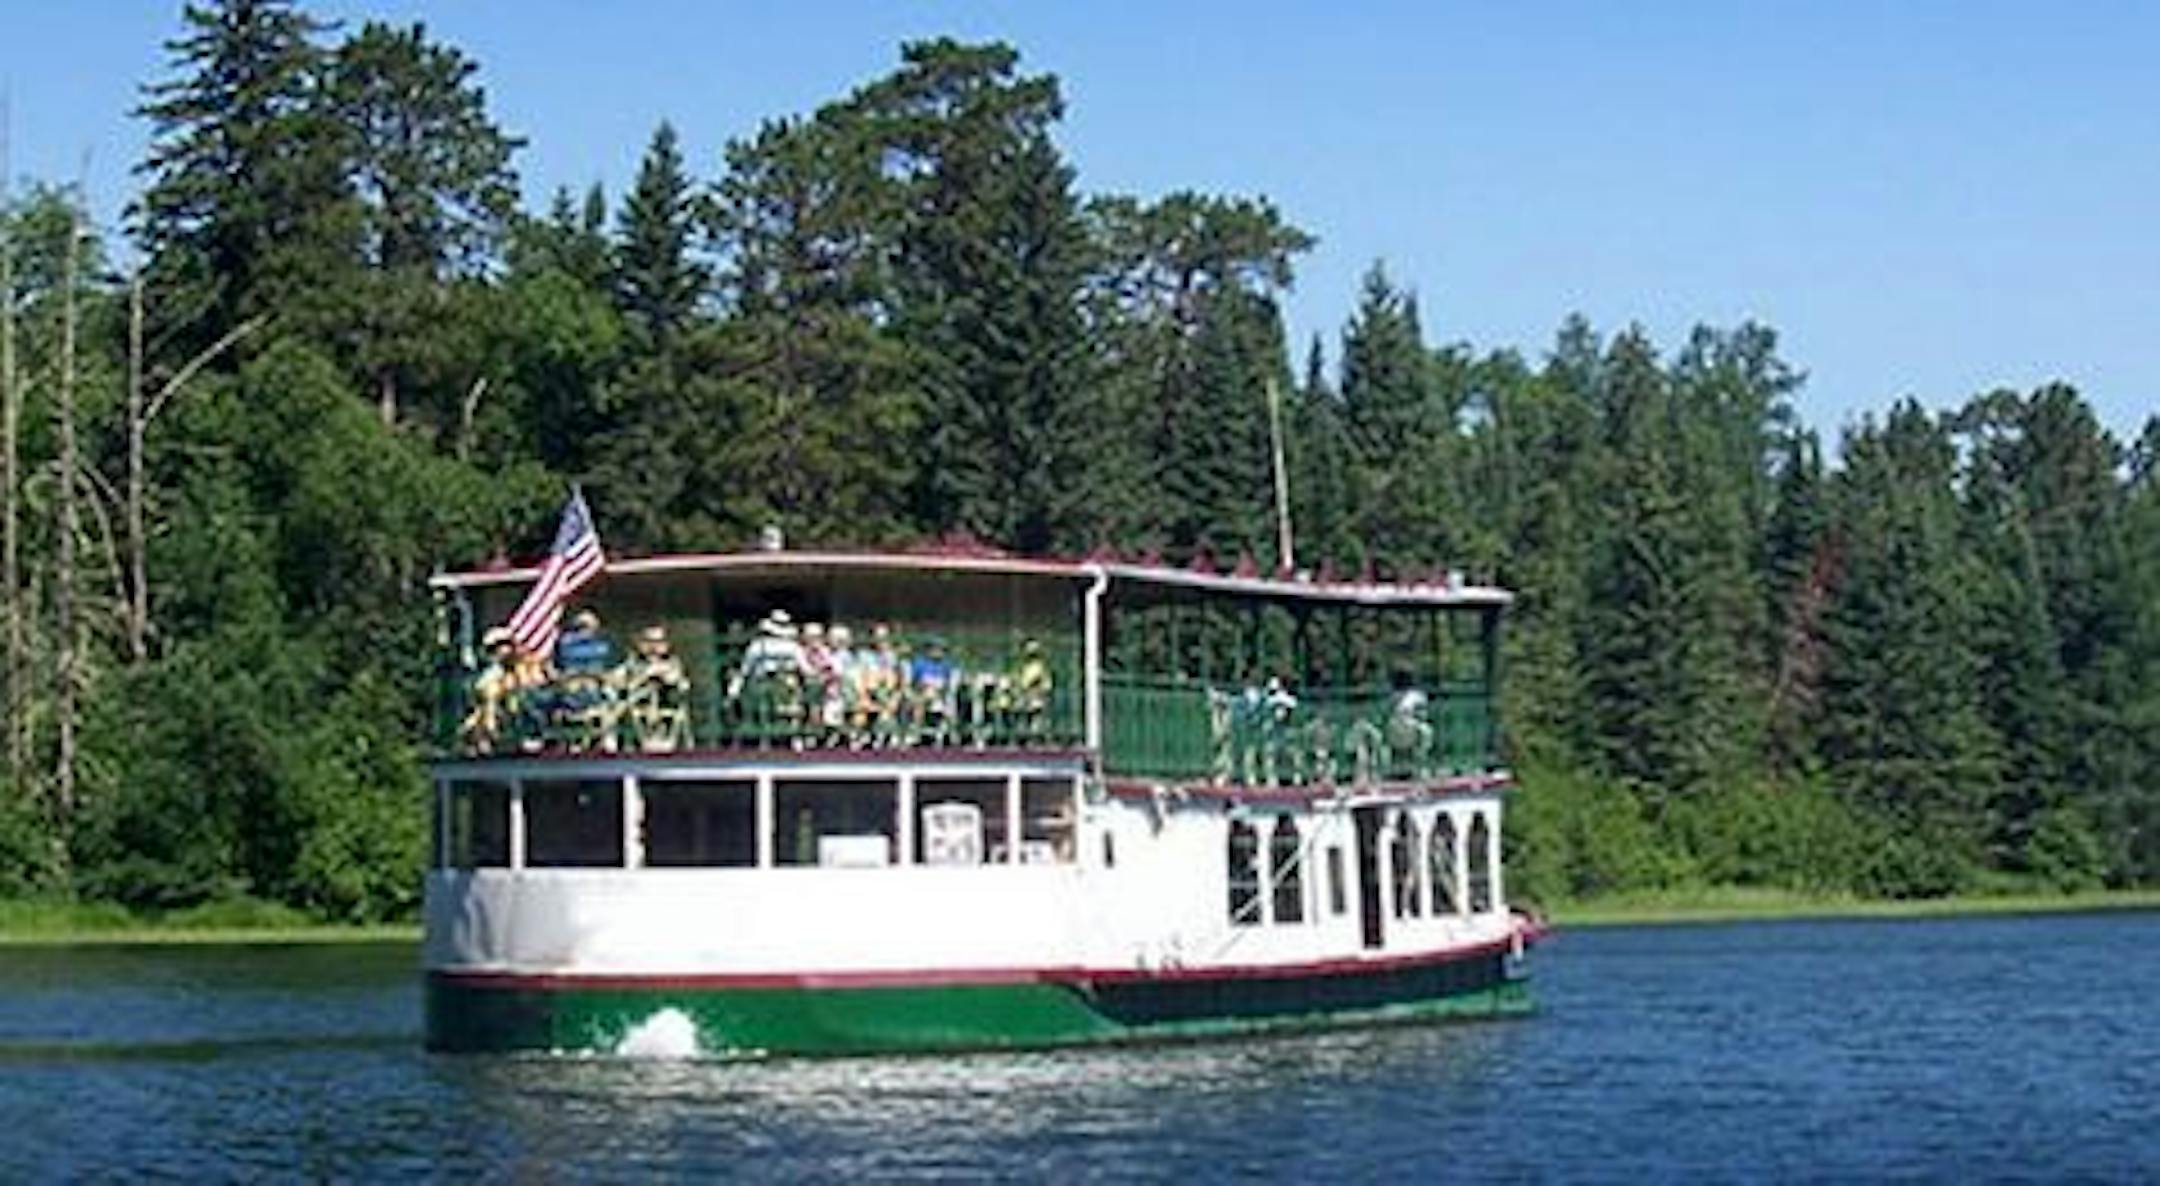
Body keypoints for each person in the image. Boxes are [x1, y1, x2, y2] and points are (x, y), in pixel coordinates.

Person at [730, 609, 804, 743]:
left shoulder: (789, 646)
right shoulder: (762, 646)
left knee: (786, 697)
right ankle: (787, 738)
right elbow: (745, 670)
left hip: (781, 684)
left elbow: (745, 670)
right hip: (768, 684)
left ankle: (776, 737)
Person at [552, 608, 618, 749]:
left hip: (598, 687)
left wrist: (603, 678)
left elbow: (612, 671)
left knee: (612, 698)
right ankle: (565, 741)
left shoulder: (605, 645)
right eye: (581, 626)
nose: (584, 630)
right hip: (570, 687)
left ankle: (608, 737)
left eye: (588, 626)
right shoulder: (564, 644)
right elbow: (556, 670)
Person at [620, 624, 692, 751]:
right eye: (648, 642)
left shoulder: (673, 661)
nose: (653, 647)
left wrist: (665, 674)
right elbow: (624, 683)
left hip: (666, 704)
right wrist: (644, 675)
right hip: (638, 705)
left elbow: (682, 683)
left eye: (658, 642)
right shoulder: (631, 662)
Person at [461, 627, 520, 753]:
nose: (507, 650)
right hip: (487, 722)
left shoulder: (513, 673)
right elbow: (486, 699)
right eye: (502, 645)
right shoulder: (489, 675)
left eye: (508, 645)